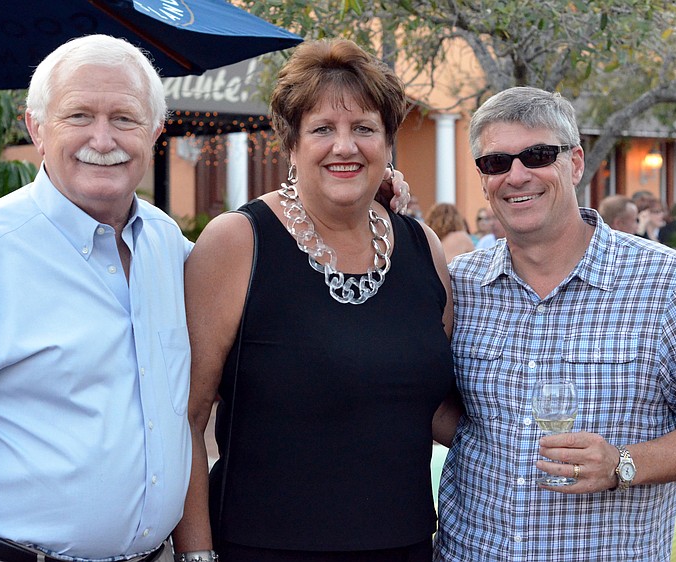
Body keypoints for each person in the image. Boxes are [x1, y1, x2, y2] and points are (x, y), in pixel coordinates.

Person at [0, 34, 192, 562]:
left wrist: (377, 208)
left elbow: (269, 290)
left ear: (155, 132)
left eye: (124, 118)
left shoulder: (171, 247)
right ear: (37, 129)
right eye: (78, 117)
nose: (103, 138)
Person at [172, 38, 462, 562]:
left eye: (364, 129)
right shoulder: (238, 242)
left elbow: (429, 405)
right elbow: (187, 418)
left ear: (388, 142)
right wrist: (196, 555)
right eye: (323, 129)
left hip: (405, 544)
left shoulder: (425, 248)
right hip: (264, 547)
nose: (344, 147)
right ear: (292, 142)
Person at [435, 86, 676, 562]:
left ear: (574, 163)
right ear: (482, 178)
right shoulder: (459, 286)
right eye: (496, 162)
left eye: (537, 155)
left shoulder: (668, 284)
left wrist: (623, 464)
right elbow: (443, 410)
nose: (517, 175)